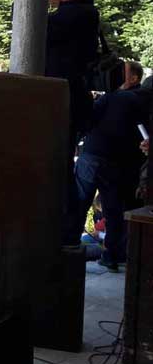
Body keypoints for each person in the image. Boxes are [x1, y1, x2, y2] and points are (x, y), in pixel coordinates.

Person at [63, 82, 152, 270]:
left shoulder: (115, 96)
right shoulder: (146, 106)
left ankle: (69, 245)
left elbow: (89, 119)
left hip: (93, 153)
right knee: (113, 210)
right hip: (118, 163)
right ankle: (112, 255)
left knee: (80, 201)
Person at [46, 0, 100, 146]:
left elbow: (33, 29)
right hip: (66, 99)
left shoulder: (77, 14)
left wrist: (27, 3)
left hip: (62, 101)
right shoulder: (84, 12)